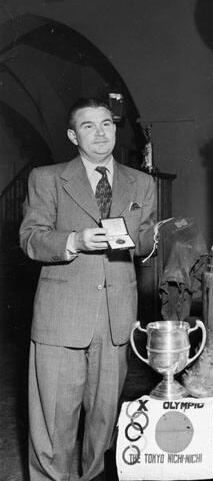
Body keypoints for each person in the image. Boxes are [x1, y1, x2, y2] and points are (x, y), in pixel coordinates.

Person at [20, 97, 156, 481]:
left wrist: (144, 241)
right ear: (72, 135)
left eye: (107, 125)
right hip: (62, 317)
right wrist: (75, 241)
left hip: (115, 320)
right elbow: (31, 239)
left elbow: (146, 242)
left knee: (104, 424)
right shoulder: (47, 178)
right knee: (53, 425)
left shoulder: (141, 183)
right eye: (88, 126)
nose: (100, 134)